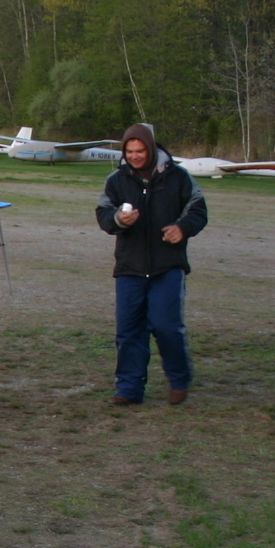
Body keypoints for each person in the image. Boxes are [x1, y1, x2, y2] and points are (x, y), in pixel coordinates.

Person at [94, 123, 207, 405]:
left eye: (140, 150)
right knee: (129, 329)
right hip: (129, 268)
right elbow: (103, 214)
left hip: (167, 266)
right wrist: (119, 221)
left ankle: (179, 379)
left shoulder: (178, 178)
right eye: (129, 151)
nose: (134, 156)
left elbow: (198, 209)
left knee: (166, 325)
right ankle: (129, 389)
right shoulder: (116, 181)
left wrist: (182, 228)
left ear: (152, 148)